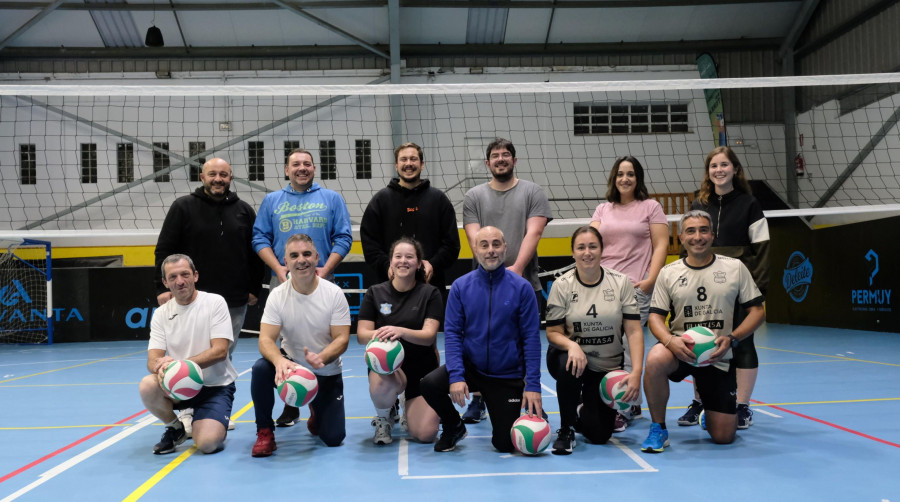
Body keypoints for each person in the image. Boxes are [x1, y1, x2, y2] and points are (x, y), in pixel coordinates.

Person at [154, 158, 264, 435]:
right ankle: (190, 408)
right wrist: (164, 288)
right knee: (190, 352)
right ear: (202, 176)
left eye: (224, 174)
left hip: (232, 298)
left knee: (223, 356)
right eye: (213, 174)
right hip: (189, 298)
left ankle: (215, 408)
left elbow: (255, 252)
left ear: (231, 177)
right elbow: (164, 250)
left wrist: (254, 286)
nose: (218, 178)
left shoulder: (243, 210)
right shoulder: (183, 207)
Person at [640, 210, 765, 453]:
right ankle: (658, 428)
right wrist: (669, 341)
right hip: (681, 350)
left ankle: (712, 412)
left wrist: (732, 338)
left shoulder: (735, 268)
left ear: (712, 235)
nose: (698, 236)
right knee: (655, 359)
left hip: (718, 355)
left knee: (723, 437)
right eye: (691, 231)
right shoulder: (669, 272)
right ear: (681, 238)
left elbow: (757, 312)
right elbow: (654, 318)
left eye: (703, 230)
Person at [252, 148, 352, 427]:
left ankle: (318, 404)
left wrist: (326, 268)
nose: (301, 168)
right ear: (287, 170)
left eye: (307, 164)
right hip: (284, 278)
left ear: (314, 168)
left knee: (321, 338)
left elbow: (343, 237)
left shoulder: (331, 198)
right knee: (286, 342)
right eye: (295, 164)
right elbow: (260, 238)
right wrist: (278, 268)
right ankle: (291, 401)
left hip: (320, 277)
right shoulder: (272, 200)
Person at [420, 226, 543, 453]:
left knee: (504, 445)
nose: (491, 250)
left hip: (506, 376)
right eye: (484, 245)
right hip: (472, 368)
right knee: (429, 384)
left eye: (496, 244)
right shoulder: (460, 286)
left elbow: (532, 340)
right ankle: (453, 425)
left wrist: (533, 384)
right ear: (475, 249)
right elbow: (454, 335)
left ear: (505, 248)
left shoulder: (522, 288)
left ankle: (511, 408)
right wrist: (457, 376)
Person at [677, 146, 770, 430]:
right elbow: (691, 243)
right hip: (703, 286)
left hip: (739, 287)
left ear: (735, 169)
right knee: (700, 342)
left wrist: (756, 287)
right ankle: (699, 401)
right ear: (708, 172)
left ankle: (742, 406)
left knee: (743, 345)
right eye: (713, 166)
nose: (719, 170)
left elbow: (763, 248)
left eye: (724, 165)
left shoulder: (749, 204)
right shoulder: (699, 203)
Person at [460, 138, 552, 423]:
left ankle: (530, 399)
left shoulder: (532, 192)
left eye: (506, 155)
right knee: (476, 341)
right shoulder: (474, 196)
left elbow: (534, 233)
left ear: (515, 160)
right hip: (483, 288)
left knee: (524, 344)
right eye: (495, 156)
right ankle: (477, 400)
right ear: (487, 163)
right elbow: (476, 239)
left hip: (524, 284)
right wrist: (495, 271)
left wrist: (516, 270)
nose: (501, 159)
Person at [249, 234, 351, 457]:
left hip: (326, 369)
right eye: (294, 255)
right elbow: (266, 339)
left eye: (306, 254)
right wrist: (279, 361)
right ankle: (265, 431)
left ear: (317, 257)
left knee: (333, 439)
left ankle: (316, 408)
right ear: (286, 262)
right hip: (292, 367)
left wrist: (322, 357)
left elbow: (342, 338)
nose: (301, 260)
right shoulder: (277, 295)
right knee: (260, 369)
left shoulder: (333, 293)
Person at [545, 226, 643, 455]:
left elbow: (634, 331)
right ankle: (566, 429)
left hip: (606, 366)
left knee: (600, 435)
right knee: (569, 366)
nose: (587, 252)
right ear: (573, 252)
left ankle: (581, 409)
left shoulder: (620, 283)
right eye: (581, 247)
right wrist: (572, 345)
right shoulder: (563, 285)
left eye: (592, 246)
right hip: (571, 359)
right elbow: (553, 332)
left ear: (602, 250)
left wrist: (636, 371)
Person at [589, 155, 668, 430]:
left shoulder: (651, 207)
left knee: (625, 348)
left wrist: (650, 280)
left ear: (638, 178)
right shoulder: (602, 209)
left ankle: (624, 406)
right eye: (620, 174)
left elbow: (660, 246)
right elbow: (591, 242)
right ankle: (619, 401)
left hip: (635, 288)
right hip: (603, 288)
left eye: (631, 174)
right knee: (606, 348)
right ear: (614, 178)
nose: (625, 178)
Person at [139, 254, 237, 455]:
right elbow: (152, 360)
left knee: (207, 444)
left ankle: (212, 421)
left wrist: (180, 367)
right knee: (148, 385)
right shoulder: (161, 313)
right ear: (165, 282)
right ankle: (176, 428)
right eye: (173, 277)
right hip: (179, 387)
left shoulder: (214, 302)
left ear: (196, 276)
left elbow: (220, 351)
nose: (180, 281)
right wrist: (160, 365)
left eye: (185, 274)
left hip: (215, 387)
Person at [357, 237, 443, 445]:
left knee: (425, 434)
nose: (403, 261)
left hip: (421, 369)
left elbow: (429, 335)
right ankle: (384, 416)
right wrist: (382, 333)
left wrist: (401, 331)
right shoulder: (375, 293)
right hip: (389, 369)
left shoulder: (430, 293)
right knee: (380, 380)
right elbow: (361, 335)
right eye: (398, 256)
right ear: (391, 261)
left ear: (419, 263)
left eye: (409, 257)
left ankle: (406, 403)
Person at [360, 142, 460, 300]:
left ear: (422, 164)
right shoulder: (380, 201)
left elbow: (452, 245)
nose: (408, 164)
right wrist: (388, 265)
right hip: (390, 290)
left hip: (431, 289)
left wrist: (433, 264)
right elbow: (369, 245)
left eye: (413, 159)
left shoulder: (438, 200)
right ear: (396, 165)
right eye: (403, 159)